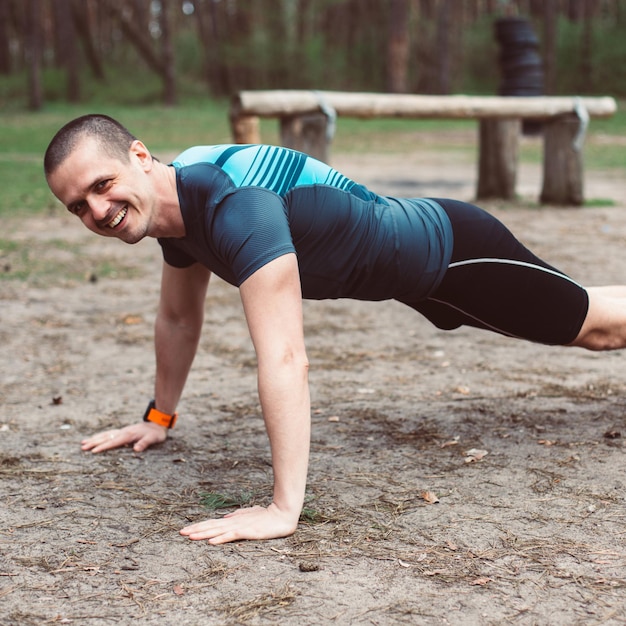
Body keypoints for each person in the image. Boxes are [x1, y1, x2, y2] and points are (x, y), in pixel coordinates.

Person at [44, 114, 626, 545]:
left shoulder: (236, 206)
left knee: (599, 330)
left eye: (101, 185)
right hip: (423, 273)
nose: (97, 211)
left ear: (140, 155)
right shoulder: (172, 207)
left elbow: (285, 358)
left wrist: (283, 509)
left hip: (455, 258)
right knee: (592, 309)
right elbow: (177, 316)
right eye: (77, 207)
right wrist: (158, 419)